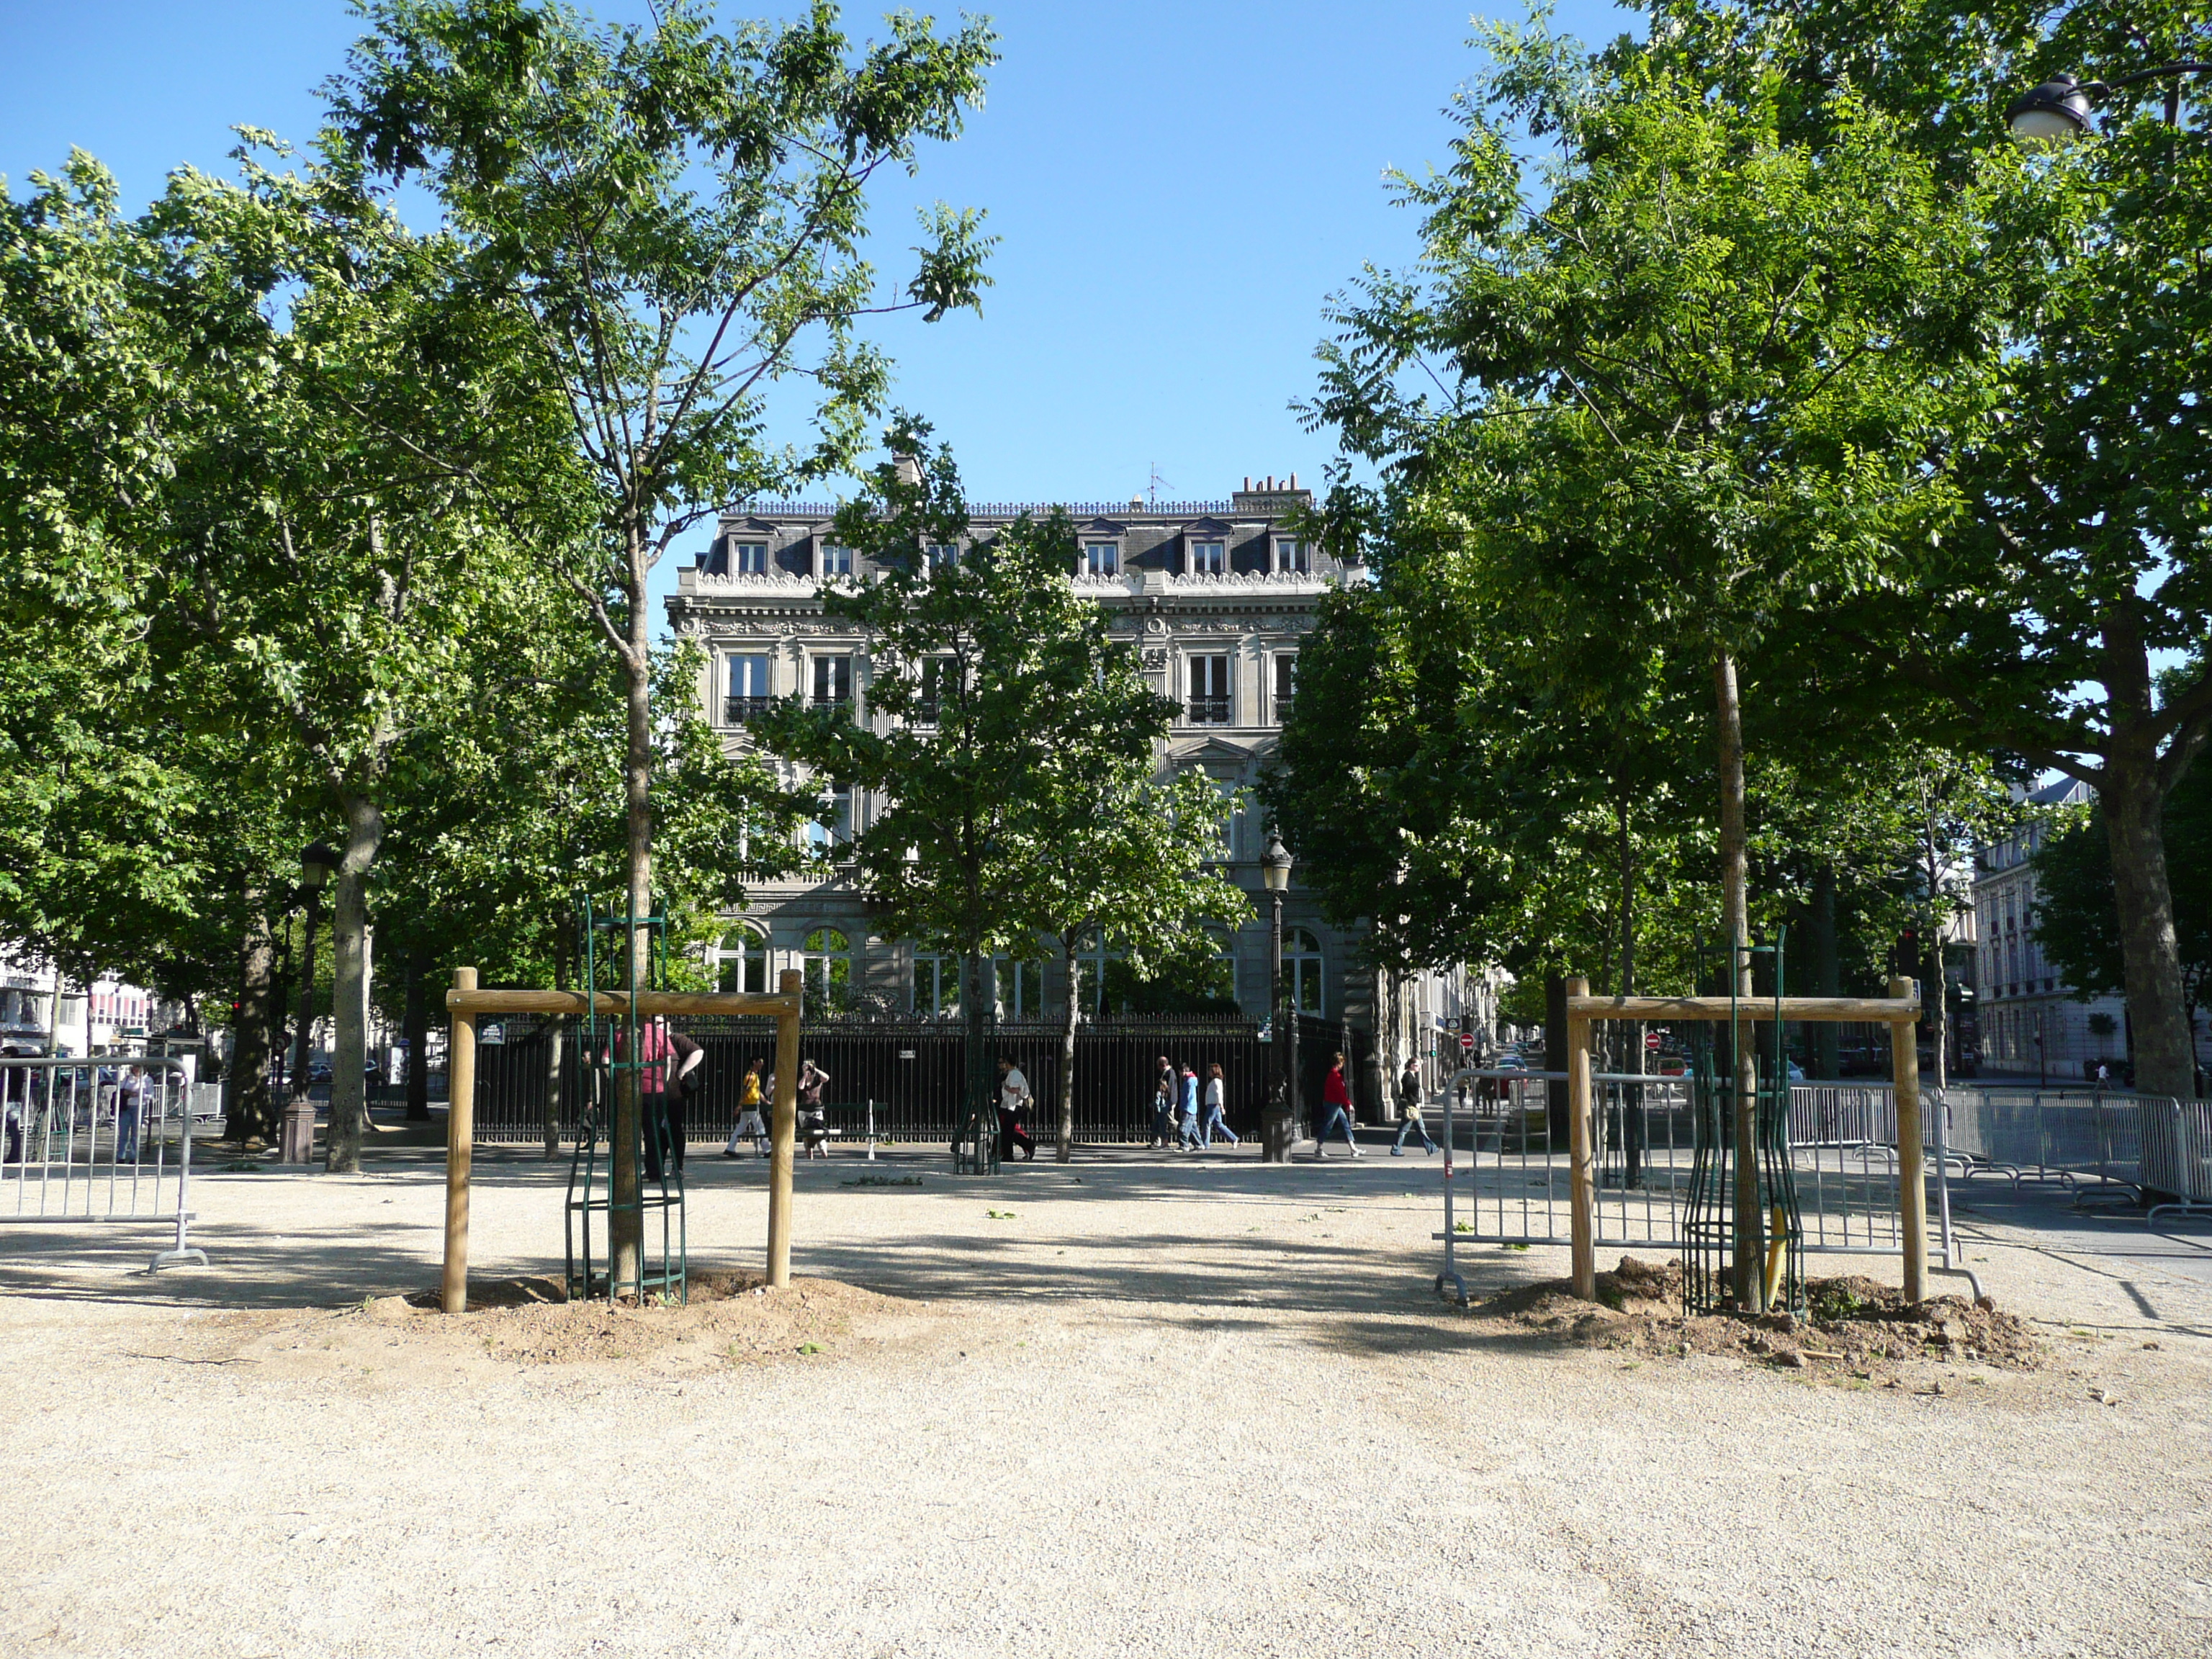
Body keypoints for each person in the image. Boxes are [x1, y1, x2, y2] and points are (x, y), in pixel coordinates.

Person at [1314, 1052, 1360, 1159]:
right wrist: (1348, 1104)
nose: (1343, 1065)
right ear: (1339, 1063)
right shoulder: (1335, 1076)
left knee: (1345, 1125)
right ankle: (1318, 1149)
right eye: (1342, 1063)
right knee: (1328, 1126)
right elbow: (1340, 1093)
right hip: (1333, 1104)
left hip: (1334, 1104)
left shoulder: (1333, 1075)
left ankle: (1353, 1148)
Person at [724, 1060, 769, 1159]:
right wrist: (739, 1105)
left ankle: (730, 1148)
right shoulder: (751, 1076)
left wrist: (766, 1101)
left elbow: (757, 1091)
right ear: (754, 1062)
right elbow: (745, 1090)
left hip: (749, 1105)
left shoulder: (755, 1076)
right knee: (760, 1127)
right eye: (760, 1062)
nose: (762, 1064)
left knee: (741, 1127)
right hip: (751, 1105)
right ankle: (767, 1150)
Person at [995, 1058, 1036, 1161]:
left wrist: (1006, 1087)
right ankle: (1009, 1153)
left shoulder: (1014, 1074)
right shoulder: (1012, 1073)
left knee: (1008, 1132)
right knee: (1007, 1131)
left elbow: (1015, 1090)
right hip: (1009, 1106)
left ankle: (1010, 1154)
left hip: (1012, 1106)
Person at [1392, 1058, 1435, 1156]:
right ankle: (1396, 1149)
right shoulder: (1408, 1076)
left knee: (1421, 1129)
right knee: (1404, 1129)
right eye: (1417, 1065)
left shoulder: (1411, 1076)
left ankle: (1431, 1148)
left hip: (1414, 1107)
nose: (1419, 1067)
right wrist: (1415, 1103)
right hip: (1411, 1107)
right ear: (1412, 1065)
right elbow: (1409, 1092)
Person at [798, 1059, 831, 1158]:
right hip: (804, 1110)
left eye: (808, 1066)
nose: (806, 1068)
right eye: (804, 1066)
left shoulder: (817, 1079)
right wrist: (805, 1076)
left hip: (816, 1110)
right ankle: (810, 1157)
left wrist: (815, 1070)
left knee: (820, 1134)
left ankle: (824, 1156)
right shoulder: (801, 1078)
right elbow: (801, 1087)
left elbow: (827, 1078)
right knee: (806, 1134)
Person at [1200, 1062, 1237, 1149]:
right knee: (1218, 1125)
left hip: (1214, 1105)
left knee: (1206, 1123)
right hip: (1213, 1105)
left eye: (1210, 1071)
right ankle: (1233, 1138)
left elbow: (1219, 1094)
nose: (1209, 1072)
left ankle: (1205, 1144)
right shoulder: (1215, 1081)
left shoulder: (1216, 1081)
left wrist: (1222, 1106)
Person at [114, 1064, 145, 1164]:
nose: (136, 1070)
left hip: (139, 1107)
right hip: (126, 1107)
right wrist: (127, 1093)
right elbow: (120, 1091)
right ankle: (121, 1157)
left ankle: (134, 1157)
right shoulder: (127, 1079)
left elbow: (151, 1095)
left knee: (135, 1134)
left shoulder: (147, 1080)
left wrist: (140, 1095)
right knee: (123, 1133)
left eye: (138, 1068)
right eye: (135, 1069)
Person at [1177, 1063, 1204, 1152]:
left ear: (1184, 1071)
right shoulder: (1190, 1080)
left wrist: (1184, 1106)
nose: (1180, 1074)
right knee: (1193, 1128)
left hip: (1188, 1108)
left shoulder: (1189, 1081)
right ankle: (1198, 1144)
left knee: (1183, 1128)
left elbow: (1189, 1096)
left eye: (1180, 1072)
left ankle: (1184, 1146)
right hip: (1192, 1108)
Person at [1152, 1056, 1176, 1148]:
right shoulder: (1167, 1073)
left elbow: (1170, 1089)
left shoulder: (1170, 1073)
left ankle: (1185, 1133)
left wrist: (1171, 1102)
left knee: (1171, 1121)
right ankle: (1158, 1141)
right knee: (1160, 1122)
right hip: (1165, 1102)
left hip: (1167, 1102)